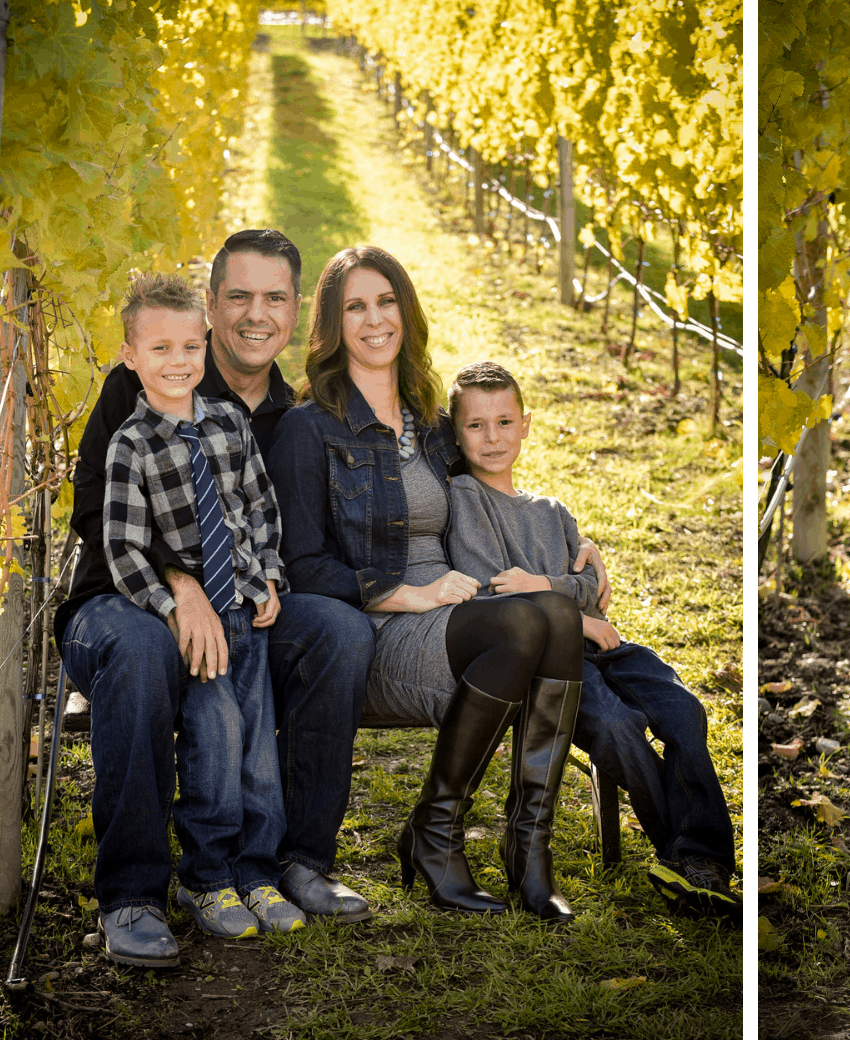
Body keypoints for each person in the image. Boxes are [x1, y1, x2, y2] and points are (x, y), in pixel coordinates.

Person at [61, 230, 375, 969]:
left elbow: (273, 520)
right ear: (211, 306)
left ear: (296, 311)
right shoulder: (133, 397)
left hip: (243, 604)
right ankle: (134, 894)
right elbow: (93, 520)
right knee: (140, 649)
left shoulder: (285, 417)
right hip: (119, 598)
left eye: (273, 298)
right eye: (238, 295)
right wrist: (181, 586)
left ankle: (291, 863)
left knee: (339, 632)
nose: (254, 314)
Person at [268, 245, 599, 923]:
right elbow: (299, 564)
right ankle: (439, 834)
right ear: (333, 325)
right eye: (354, 306)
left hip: (460, 610)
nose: (374, 319)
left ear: (405, 311)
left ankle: (524, 851)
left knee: (552, 617)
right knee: (532, 620)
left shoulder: (433, 426)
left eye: (386, 301)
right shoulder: (309, 429)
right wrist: (401, 592)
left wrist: (578, 544)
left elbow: (494, 485)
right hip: (378, 631)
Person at [442, 362, 741, 916]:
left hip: (604, 647)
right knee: (618, 726)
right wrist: (573, 610)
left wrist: (547, 587)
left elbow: (589, 585)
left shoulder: (552, 510)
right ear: (456, 433)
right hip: (547, 665)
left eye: (504, 422)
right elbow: (493, 589)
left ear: (526, 424)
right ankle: (693, 861)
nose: (492, 438)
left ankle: (697, 859)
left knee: (683, 710)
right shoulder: (465, 498)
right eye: (476, 426)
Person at [102, 273, 303, 939]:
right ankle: (208, 878)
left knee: (259, 754)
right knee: (215, 746)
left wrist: (270, 574)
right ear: (130, 355)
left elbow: (260, 507)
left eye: (190, 345)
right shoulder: (131, 445)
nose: (179, 361)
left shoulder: (228, 422)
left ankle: (257, 873)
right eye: (159, 348)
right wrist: (168, 605)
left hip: (247, 611)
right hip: (200, 627)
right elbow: (124, 550)